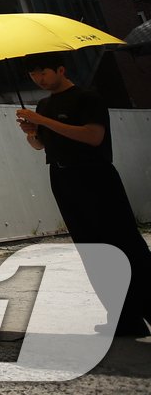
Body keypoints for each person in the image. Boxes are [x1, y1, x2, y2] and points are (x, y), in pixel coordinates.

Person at [17, 51, 151, 337]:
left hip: (95, 176)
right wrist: (32, 131)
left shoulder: (88, 98)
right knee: (91, 248)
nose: (39, 79)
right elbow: (41, 146)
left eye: (43, 73)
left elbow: (93, 136)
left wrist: (44, 121)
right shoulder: (43, 104)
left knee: (124, 242)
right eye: (33, 75)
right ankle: (124, 318)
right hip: (63, 178)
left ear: (61, 70)